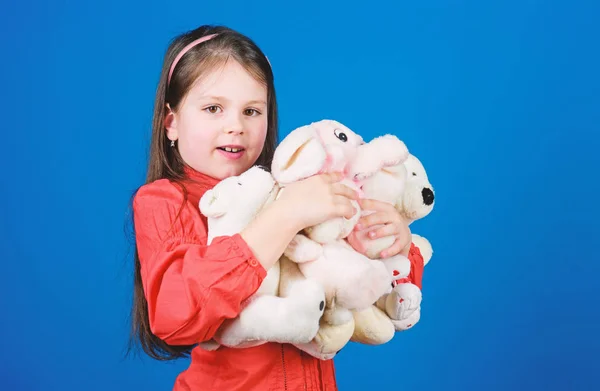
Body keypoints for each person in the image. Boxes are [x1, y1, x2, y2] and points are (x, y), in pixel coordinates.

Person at [129, 24, 422, 391]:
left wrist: (393, 241)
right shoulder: (165, 201)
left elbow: (365, 289)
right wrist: (285, 217)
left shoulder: (296, 186)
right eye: (213, 108)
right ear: (171, 123)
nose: (235, 126)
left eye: (252, 111)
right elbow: (175, 315)